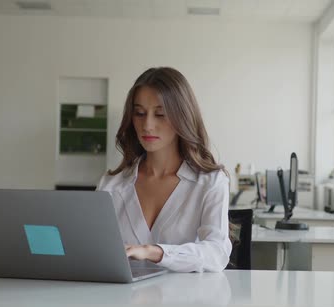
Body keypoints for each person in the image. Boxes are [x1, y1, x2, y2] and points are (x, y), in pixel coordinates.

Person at [96, 67, 232, 272]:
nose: (147, 125)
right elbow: (94, 249)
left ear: (182, 117)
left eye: (160, 114)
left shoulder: (210, 182)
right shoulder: (111, 184)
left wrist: (156, 252)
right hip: (122, 302)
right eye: (139, 113)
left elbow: (217, 253)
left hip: (187, 300)